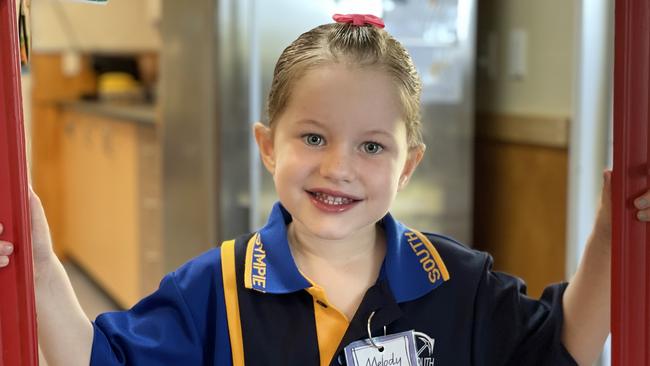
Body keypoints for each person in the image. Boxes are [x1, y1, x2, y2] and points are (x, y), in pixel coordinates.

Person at [1, 14, 649, 366]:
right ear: (266, 145)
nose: (339, 166)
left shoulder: (459, 282)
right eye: (313, 137)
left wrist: (617, 231)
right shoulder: (213, 289)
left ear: (408, 166)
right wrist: (38, 267)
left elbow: (563, 344)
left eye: (372, 146)